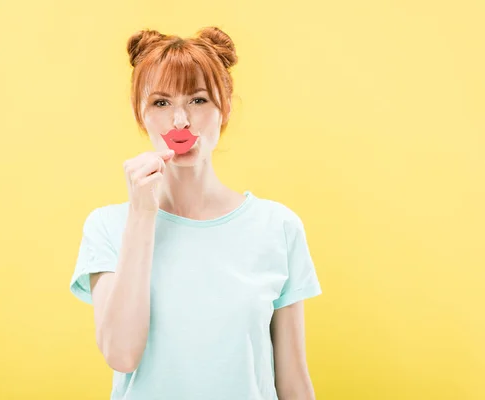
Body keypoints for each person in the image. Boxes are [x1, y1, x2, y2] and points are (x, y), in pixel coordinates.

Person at [69, 26, 322, 400]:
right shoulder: (107, 227)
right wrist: (142, 214)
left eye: (198, 100)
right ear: (141, 115)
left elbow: (293, 382)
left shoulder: (278, 227)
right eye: (161, 103)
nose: (180, 121)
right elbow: (121, 355)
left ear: (226, 109)